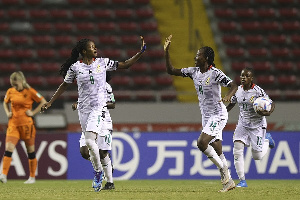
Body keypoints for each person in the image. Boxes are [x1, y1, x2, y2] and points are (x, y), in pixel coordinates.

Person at [41, 36, 146, 192]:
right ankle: (102, 170)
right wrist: (50, 102)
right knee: (86, 149)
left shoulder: (103, 63)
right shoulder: (76, 67)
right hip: (83, 110)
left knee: (90, 142)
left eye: (95, 46)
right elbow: (64, 85)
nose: (95, 49)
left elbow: (125, 65)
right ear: (84, 51)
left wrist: (140, 53)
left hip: (98, 109)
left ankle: (98, 173)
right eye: (92, 47)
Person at [164, 35, 238, 192]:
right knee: (218, 151)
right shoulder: (193, 72)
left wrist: (228, 96)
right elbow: (171, 70)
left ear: (206, 58)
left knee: (201, 143)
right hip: (206, 117)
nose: (195, 57)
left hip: (218, 115)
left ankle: (224, 173)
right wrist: (167, 51)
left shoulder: (216, 73)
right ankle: (229, 182)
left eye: (199, 55)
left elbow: (234, 85)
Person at [226, 67, 275, 188]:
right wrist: (224, 112)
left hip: (257, 125)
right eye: (242, 75)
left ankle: (267, 140)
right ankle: (242, 181)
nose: (243, 78)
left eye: (246, 76)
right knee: (237, 149)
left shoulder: (258, 91)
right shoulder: (238, 91)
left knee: (256, 156)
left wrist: (268, 112)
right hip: (242, 124)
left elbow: (271, 103)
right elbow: (232, 102)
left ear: (251, 78)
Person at [0, 71, 46, 184]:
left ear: (21, 81)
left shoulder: (30, 91)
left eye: (16, 84)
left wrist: (33, 112)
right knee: (8, 149)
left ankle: (32, 177)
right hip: (13, 124)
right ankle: (3, 175)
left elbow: (43, 102)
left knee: (30, 151)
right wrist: (7, 112)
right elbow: (5, 103)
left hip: (27, 125)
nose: (14, 86)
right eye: (12, 84)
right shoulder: (10, 91)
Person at [72, 71, 115, 190]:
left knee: (102, 153)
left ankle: (110, 183)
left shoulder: (106, 86)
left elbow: (113, 104)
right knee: (84, 152)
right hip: (89, 122)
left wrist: (100, 104)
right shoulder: (86, 86)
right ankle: (104, 166)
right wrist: (77, 104)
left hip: (103, 121)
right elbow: (83, 101)